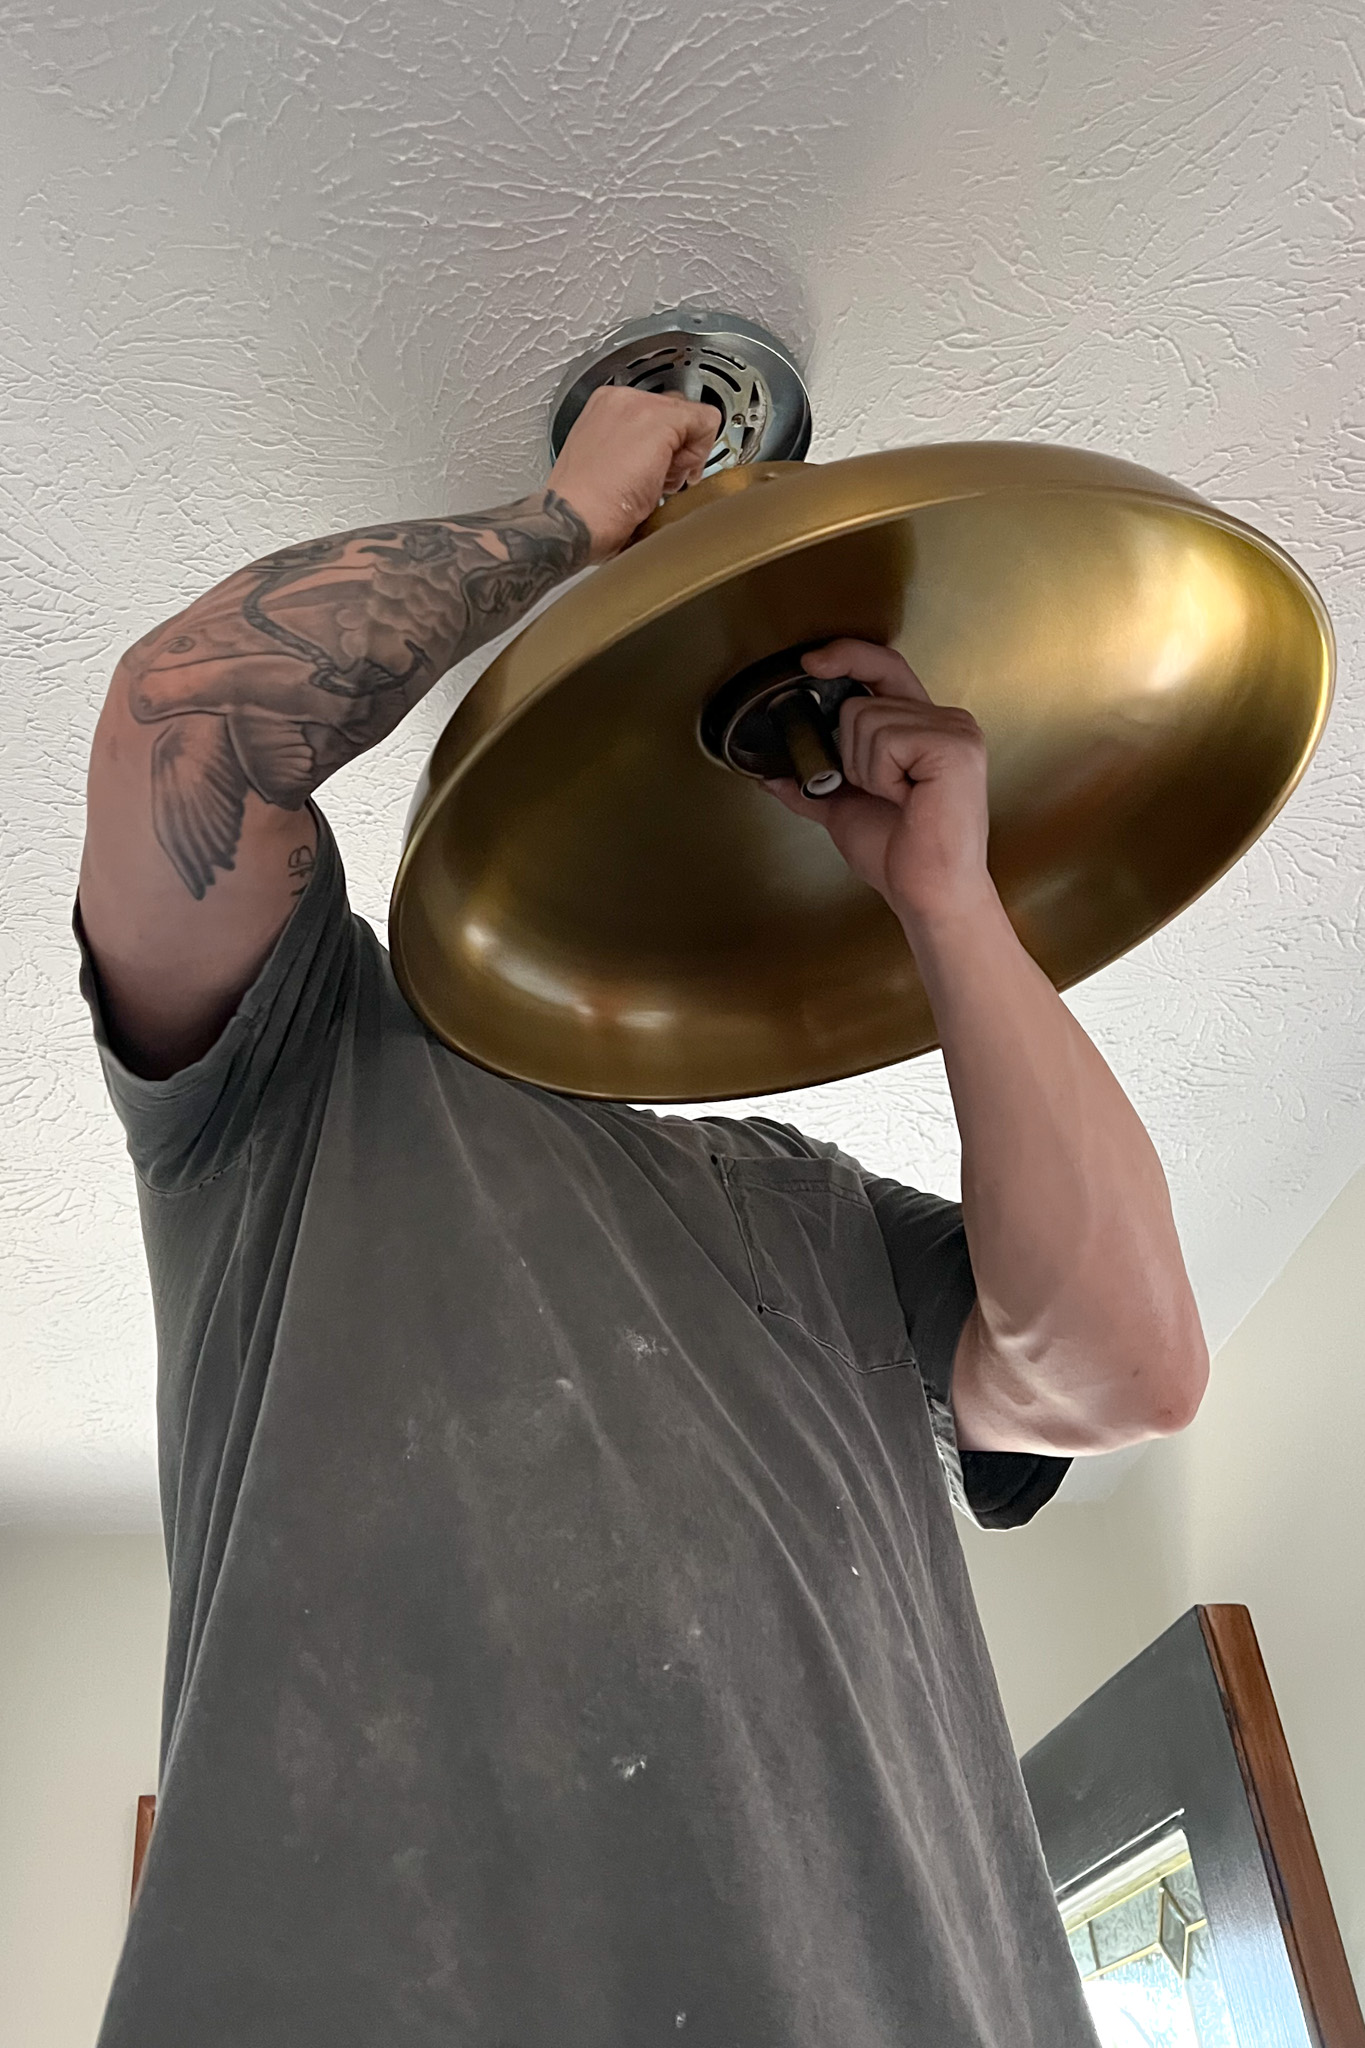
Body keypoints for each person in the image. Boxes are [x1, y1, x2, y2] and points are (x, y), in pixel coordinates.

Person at [77, 384, 1208, 2047]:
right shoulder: (308, 1075)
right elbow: (188, 728)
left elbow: (1126, 1372)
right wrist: (559, 528)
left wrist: (947, 899)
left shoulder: (809, 1212)